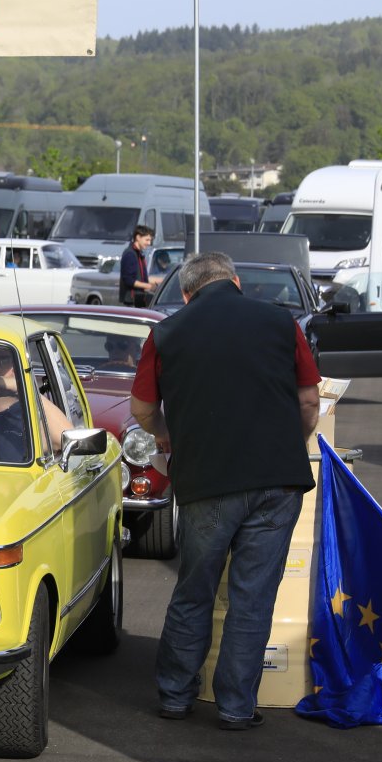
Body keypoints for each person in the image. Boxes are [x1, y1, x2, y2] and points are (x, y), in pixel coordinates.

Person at [129, 250, 320, 729]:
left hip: (206, 480)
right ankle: (235, 707)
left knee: (195, 589)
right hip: (278, 480)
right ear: (235, 282)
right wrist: (291, 443)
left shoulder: (166, 333)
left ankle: (176, 695)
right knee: (252, 598)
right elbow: (309, 400)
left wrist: (166, 435)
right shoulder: (281, 323)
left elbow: (142, 409)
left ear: (187, 293)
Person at [118, 225, 164, 307]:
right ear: (138, 237)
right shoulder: (130, 254)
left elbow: (142, 278)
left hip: (139, 299)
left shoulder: (138, 254)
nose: (149, 243)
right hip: (132, 300)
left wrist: (163, 280)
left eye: (150, 240)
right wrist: (149, 286)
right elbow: (129, 280)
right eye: (147, 240)